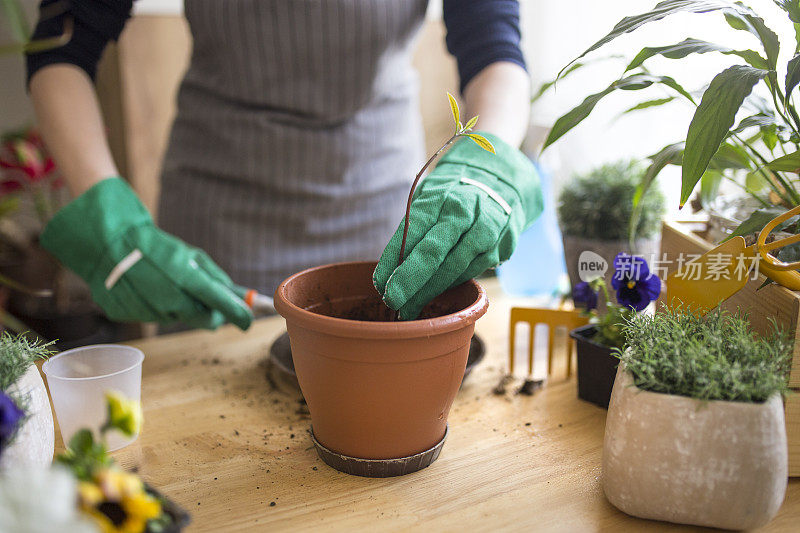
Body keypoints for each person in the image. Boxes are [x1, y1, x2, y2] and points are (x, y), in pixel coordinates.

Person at [25, 0, 542, 330]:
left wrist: (485, 160)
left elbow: (494, 46)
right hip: (216, 230)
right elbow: (61, 48)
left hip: (385, 222)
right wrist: (108, 215)